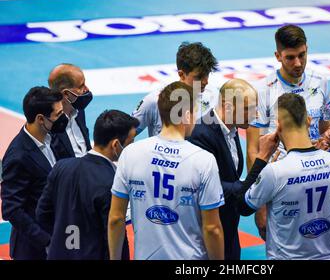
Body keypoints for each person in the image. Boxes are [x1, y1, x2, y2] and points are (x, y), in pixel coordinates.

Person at [108, 81, 224, 260]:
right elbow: (212, 229)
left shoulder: (130, 153)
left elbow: (116, 218)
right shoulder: (204, 160)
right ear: (186, 115)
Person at [236, 93, 330, 259]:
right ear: (309, 121)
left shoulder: (275, 171)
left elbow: (242, 206)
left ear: (278, 126)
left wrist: (261, 159)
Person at [246, 24, 330, 238]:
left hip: (317, 177)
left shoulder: (319, 81)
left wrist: (327, 137)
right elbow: (252, 149)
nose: (298, 63)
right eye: (290, 57)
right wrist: (260, 206)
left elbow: (326, 126)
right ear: (278, 56)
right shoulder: (264, 89)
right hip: (281, 182)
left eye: (302, 55)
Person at [36, 110, 139, 260]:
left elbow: (42, 214)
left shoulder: (61, 167)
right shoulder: (112, 182)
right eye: (131, 143)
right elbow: (113, 231)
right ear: (116, 145)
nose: (132, 148)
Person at [188, 79, 258, 260]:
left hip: (229, 230)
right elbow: (208, 187)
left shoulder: (232, 130)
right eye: (248, 109)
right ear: (228, 107)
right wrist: (252, 182)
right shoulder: (201, 134)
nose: (255, 114)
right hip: (208, 236)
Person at [1, 87, 67, 260]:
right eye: (58, 114)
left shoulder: (53, 136)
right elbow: (12, 209)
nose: (63, 118)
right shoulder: (18, 157)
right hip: (34, 249)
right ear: (40, 119)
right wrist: (46, 241)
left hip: (63, 235)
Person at [132, 41, 218, 137]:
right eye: (199, 77)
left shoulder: (214, 96)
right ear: (181, 74)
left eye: (207, 74)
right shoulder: (154, 100)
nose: (206, 82)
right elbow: (126, 136)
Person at [48, 63, 93, 159]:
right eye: (81, 86)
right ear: (66, 94)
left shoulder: (79, 110)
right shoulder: (49, 126)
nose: (87, 89)